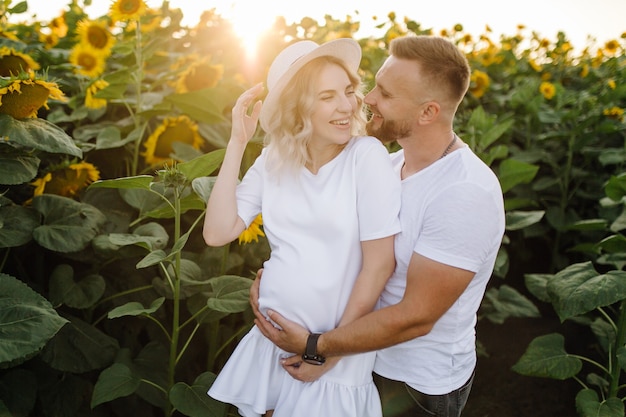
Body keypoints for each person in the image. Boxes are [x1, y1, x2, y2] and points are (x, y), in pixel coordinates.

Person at [252, 34, 506, 417]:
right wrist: (279, 289)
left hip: (412, 384)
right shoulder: (385, 167)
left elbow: (415, 317)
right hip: (355, 359)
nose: (366, 99)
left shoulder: (464, 193)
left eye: (385, 94)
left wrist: (318, 346)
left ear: (427, 113)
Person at [203, 38, 401, 417]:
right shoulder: (274, 159)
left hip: (335, 354)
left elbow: (379, 266)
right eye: (327, 96)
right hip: (272, 343)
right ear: (297, 107)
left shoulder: (366, 158)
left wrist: (327, 350)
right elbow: (217, 232)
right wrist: (237, 142)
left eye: (347, 91)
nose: (346, 106)